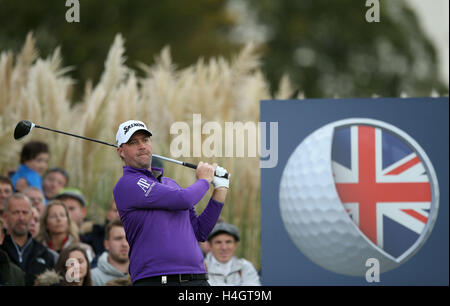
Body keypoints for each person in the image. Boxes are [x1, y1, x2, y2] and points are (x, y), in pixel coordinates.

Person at [113, 120, 229, 286]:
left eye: (145, 140)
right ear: (121, 151)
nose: (142, 146)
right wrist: (204, 180)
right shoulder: (127, 184)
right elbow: (184, 199)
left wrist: (221, 189)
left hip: (197, 278)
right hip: (156, 280)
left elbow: (200, 231)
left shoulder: (171, 184)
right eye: (133, 142)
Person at [1, 193, 56, 285]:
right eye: (16, 212)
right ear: (5, 217)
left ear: (31, 216)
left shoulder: (46, 255)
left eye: (25, 212)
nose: (21, 218)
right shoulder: (1, 250)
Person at [90, 218, 129, 286]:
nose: (124, 244)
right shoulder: (92, 277)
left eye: (128, 238)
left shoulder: (144, 274)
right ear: (106, 244)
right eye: (118, 238)